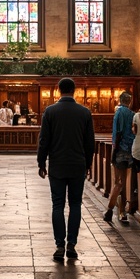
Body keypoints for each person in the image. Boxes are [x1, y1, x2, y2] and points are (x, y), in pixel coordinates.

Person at [37, 77, 95, 262]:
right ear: (74, 91)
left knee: (58, 205)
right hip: (77, 164)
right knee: (76, 204)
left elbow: (43, 140)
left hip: (57, 165)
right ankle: (72, 244)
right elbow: (89, 143)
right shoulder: (84, 112)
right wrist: (88, 164)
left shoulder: (50, 111)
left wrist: (41, 162)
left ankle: (59, 245)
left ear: (58, 91)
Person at [103, 91, 135, 225]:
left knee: (118, 182)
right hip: (130, 149)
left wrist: (114, 150)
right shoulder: (133, 114)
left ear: (120, 100)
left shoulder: (119, 113)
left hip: (120, 150)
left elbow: (117, 133)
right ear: (130, 102)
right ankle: (122, 212)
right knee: (124, 181)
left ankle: (110, 210)